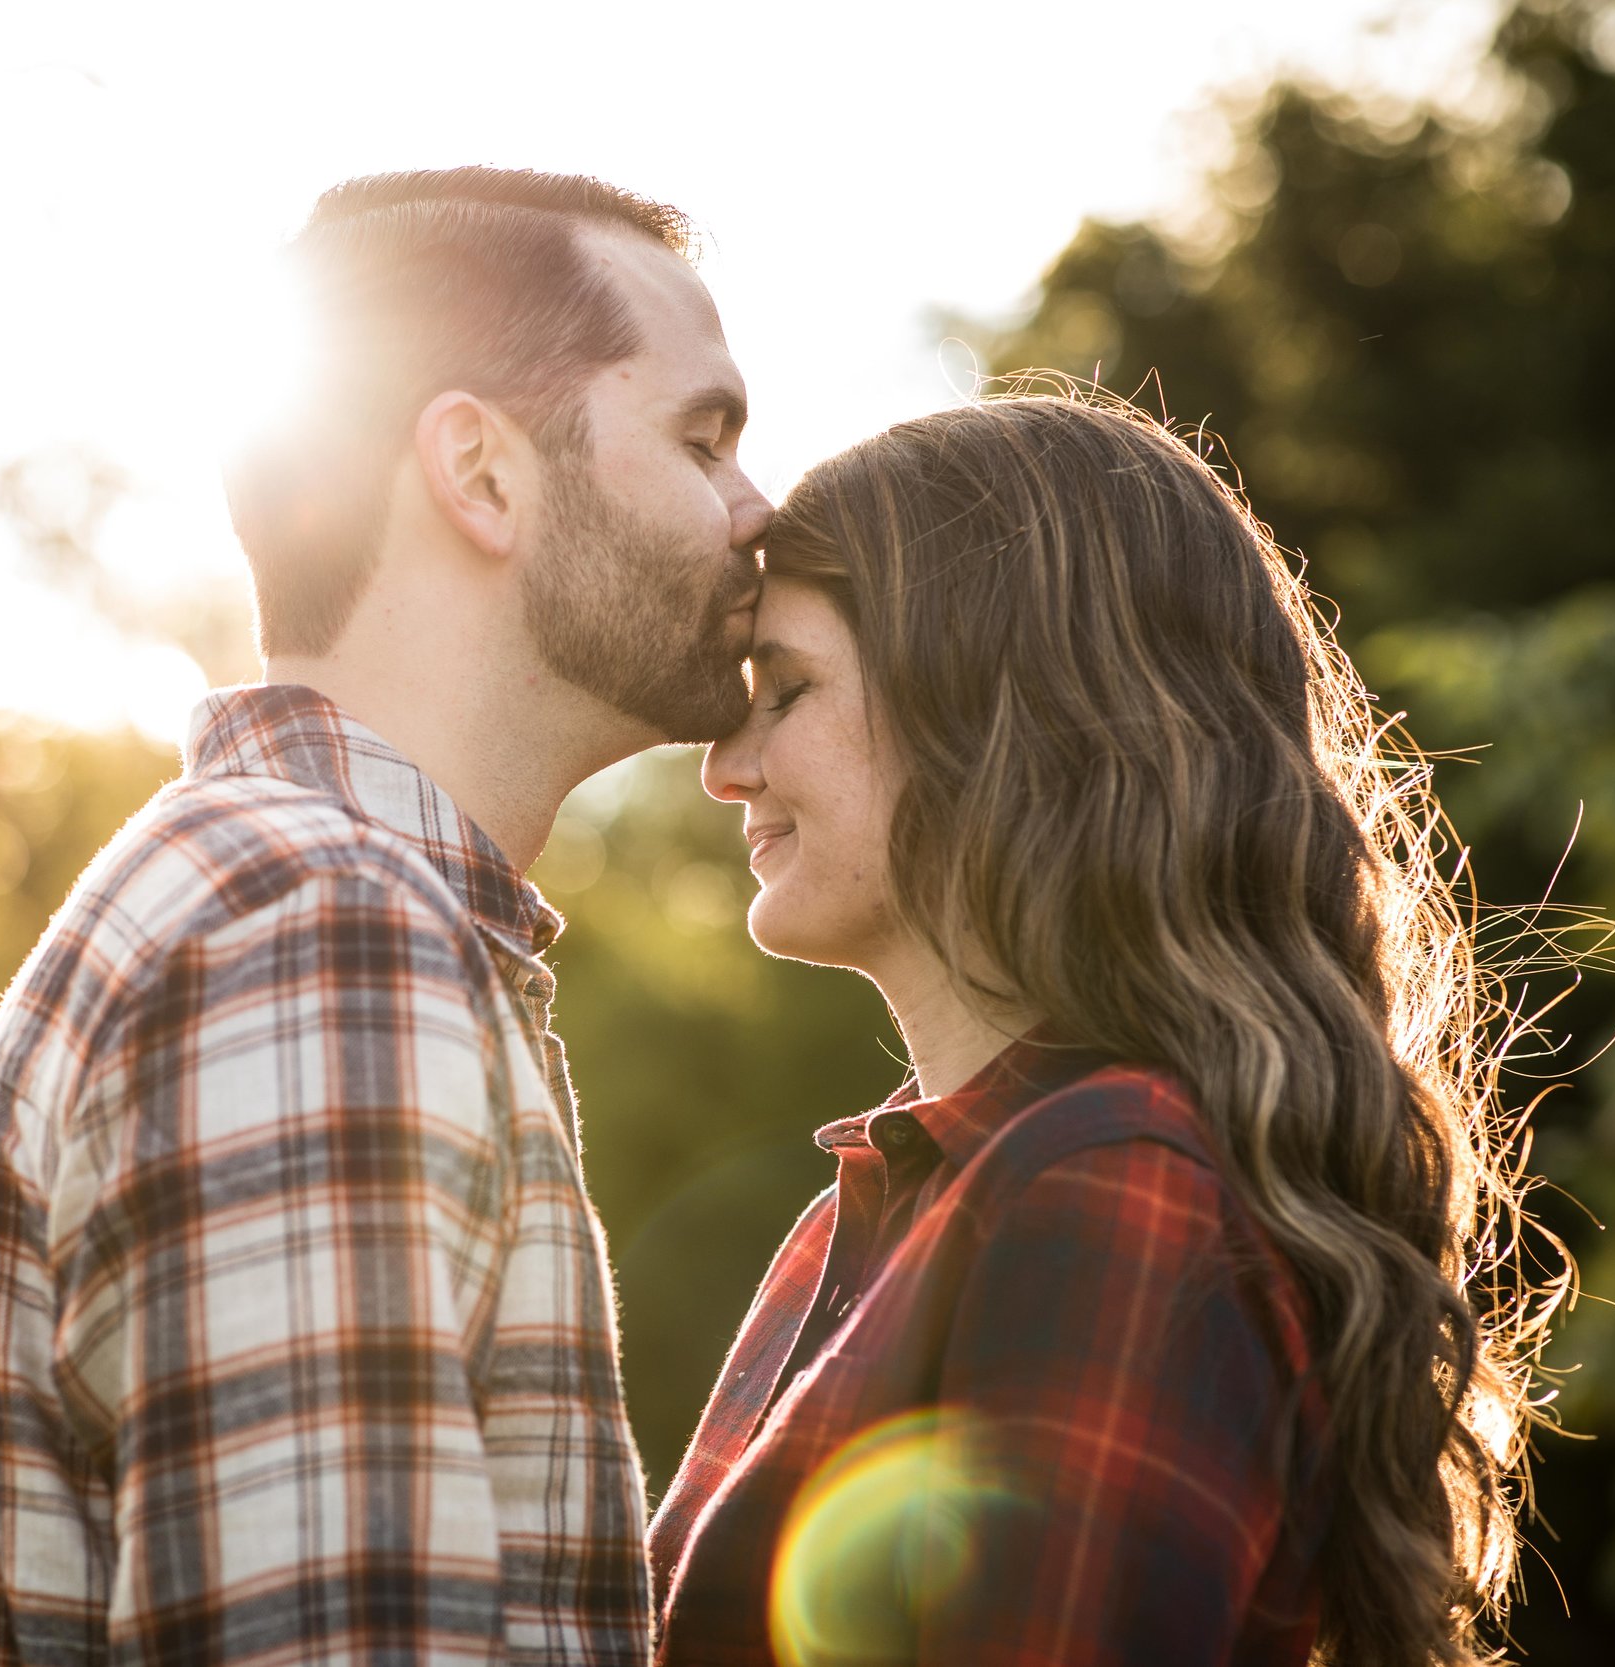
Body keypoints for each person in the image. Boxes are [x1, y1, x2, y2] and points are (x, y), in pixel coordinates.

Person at [0, 167, 769, 1665]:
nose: (760, 507)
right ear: (481, 471)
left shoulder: (291, 901)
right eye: (705, 435)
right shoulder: (319, 930)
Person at [653, 392, 1556, 1667]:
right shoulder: (892, 1204)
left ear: (998, 708)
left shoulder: (1115, 1181)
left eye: (786, 689)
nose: (723, 766)